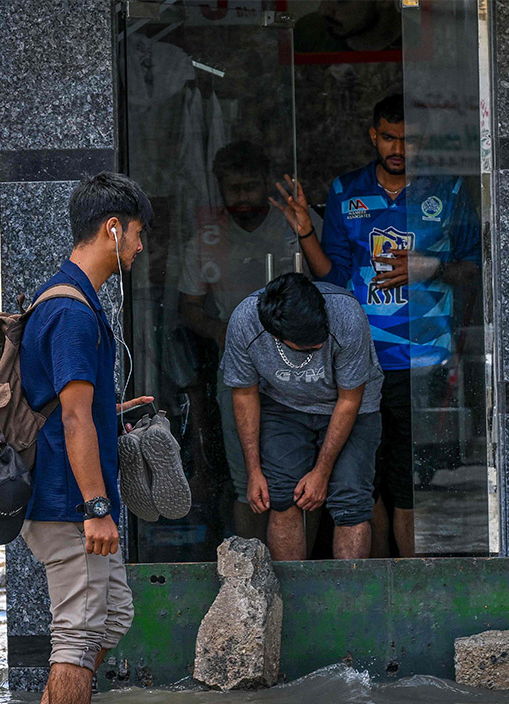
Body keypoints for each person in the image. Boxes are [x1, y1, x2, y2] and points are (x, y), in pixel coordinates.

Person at [271, 93, 481, 557]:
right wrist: (307, 228)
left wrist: (429, 267)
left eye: (408, 139)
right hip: (360, 362)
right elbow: (332, 279)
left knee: (410, 484)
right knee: (366, 479)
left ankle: (410, 584)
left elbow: (478, 268)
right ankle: (379, 583)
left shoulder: (446, 189)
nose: (398, 148)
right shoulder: (347, 191)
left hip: (424, 359)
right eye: (389, 137)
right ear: (373, 136)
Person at [18, 172, 154, 704]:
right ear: (113, 229)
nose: (141, 249)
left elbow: (73, 407)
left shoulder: (69, 297)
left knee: (112, 616)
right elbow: (72, 420)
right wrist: (97, 507)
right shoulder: (73, 311)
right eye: (138, 235)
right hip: (69, 502)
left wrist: (110, 411)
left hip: (71, 495)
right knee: (75, 637)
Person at [180, 141, 322, 539]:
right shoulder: (207, 239)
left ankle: (302, 574)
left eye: (249, 186)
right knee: (248, 482)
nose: (242, 195)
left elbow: (330, 278)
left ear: (266, 182)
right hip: (241, 368)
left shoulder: (295, 221)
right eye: (232, 187)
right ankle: (248, 572)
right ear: (219, 187)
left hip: (303, 363)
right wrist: (224, 331)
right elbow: (188, 307)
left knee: (304, 483)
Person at [222, 273, 383, 561]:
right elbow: (245, 395)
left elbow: (350, 400)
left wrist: (321, 472)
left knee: (351, 502)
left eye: (320, 338)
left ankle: (350, 600)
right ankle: (292, 600)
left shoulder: (346, 314)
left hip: (350, 407)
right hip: (284, 406)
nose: (319, 347)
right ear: (278, 335)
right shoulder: (245, 323)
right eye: (308, 345)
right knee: (281, 498)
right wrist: (254, 471)